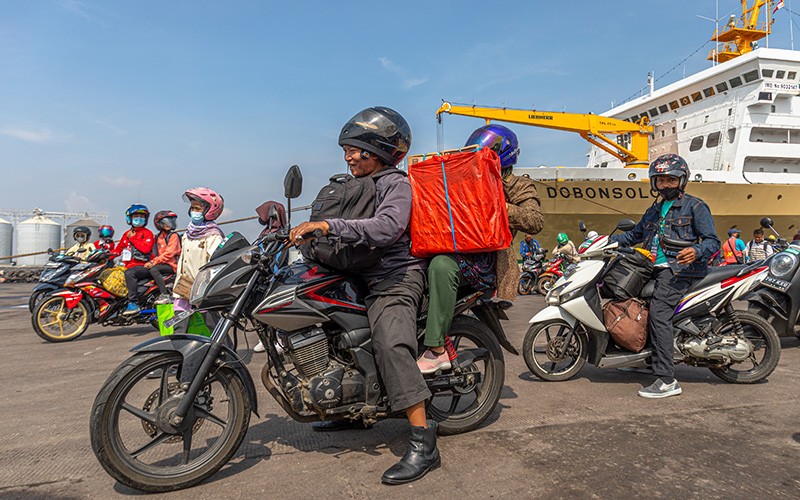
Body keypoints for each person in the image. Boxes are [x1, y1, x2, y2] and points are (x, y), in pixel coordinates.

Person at [290, 107, 438, 485]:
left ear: (380, 152)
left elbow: (387, 227)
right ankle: (346, 407)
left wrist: (327, 224)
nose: (349, 156)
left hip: (395, 277)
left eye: (356, 150)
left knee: (390, 344)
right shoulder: (355, 185)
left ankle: (423, 443)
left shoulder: (395, 184)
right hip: (360, 275)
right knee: (331, 330)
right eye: (347, 149)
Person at [418, 124, 543, 374]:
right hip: (451, 246)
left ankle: (436, 350)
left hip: (484, 260)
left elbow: (534, 221)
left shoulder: (519, 186)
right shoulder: (464, 173)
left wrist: (499, 204)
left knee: (441, 267)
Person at [610, 153, 719, 398]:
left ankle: (666, 379)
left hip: (679, 269)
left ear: (682, 180)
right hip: (652, 269)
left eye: (671, 179)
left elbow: (713, 241)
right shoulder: (654, 210)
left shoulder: (696, 206)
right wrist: (602, 241)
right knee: (628, 298)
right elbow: (634, 235)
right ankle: (641, 357)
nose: (665, 185)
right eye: (660, 180)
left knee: (659, 313)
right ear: (653, 183)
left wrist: (696, 250)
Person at [172, 188, 226, 323]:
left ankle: (224, 345)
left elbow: (216, 262)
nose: (193, 212)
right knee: (179, 325)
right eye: (192, 208)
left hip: (201, 289)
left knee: (211, 324)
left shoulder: (213, 235)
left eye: (197, 208)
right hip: (183, 287)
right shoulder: (188, 234)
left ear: (210, 211)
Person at [115, 205, 155, 315]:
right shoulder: (126, 234)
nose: (139, 219)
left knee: (129, 273)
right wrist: (105, 254)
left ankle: (133, 303)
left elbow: (146, 248)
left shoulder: (147, 233)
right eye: (136, 216)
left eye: (142, 216)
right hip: (128, 266)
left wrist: (133, 238)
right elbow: (118, 250)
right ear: (130, 219)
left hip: (144, 266)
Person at [145, 211, 180, 305]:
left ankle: (164, 294)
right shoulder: (156, 237)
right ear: (159, 224)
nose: (171, 223)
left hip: (172, 265)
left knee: (153, 270)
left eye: (172, 221)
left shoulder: (173, 236)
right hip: (161, 264)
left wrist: (153, 262)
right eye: (168, 221)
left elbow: (170, 253)